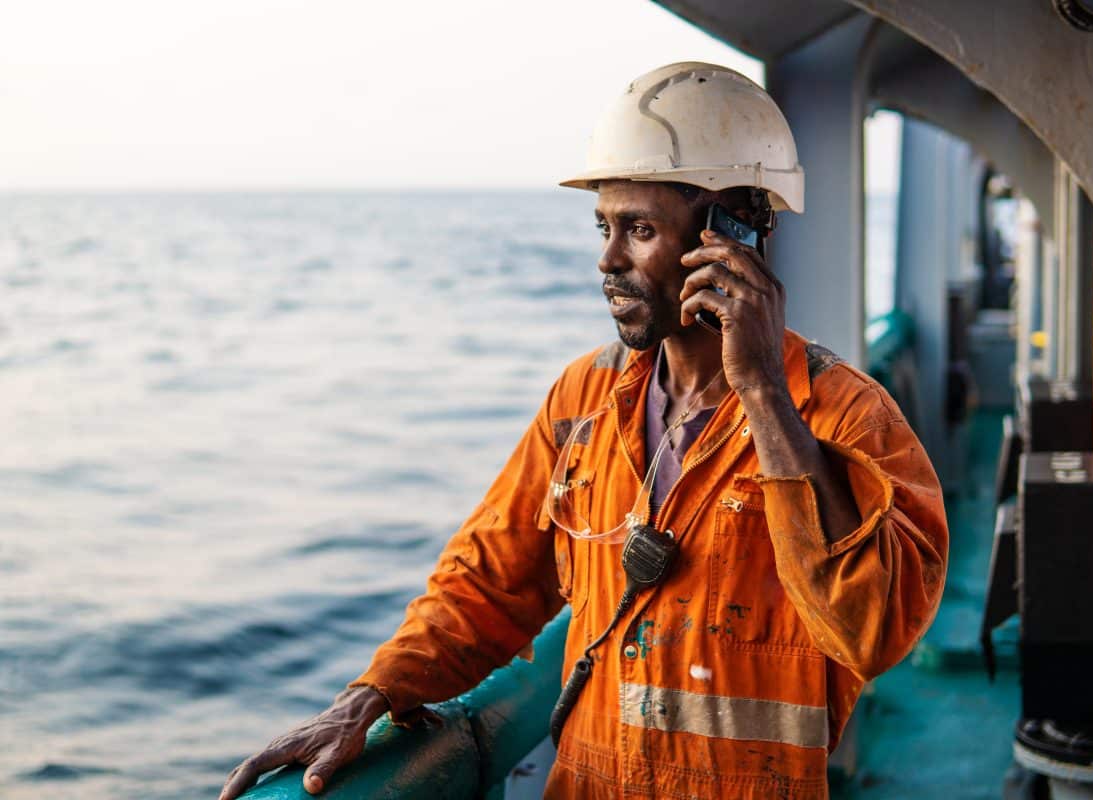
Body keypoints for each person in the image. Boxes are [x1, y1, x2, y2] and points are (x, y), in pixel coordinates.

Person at [220, 62, 947, 800]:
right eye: (604, 227)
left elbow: (873, 632)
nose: (607, 260)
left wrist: (762, 393)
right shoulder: (585, 399)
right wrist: (372, 694)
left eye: (638, 230)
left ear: (732, 233)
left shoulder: (843, 414)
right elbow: (485, 582)